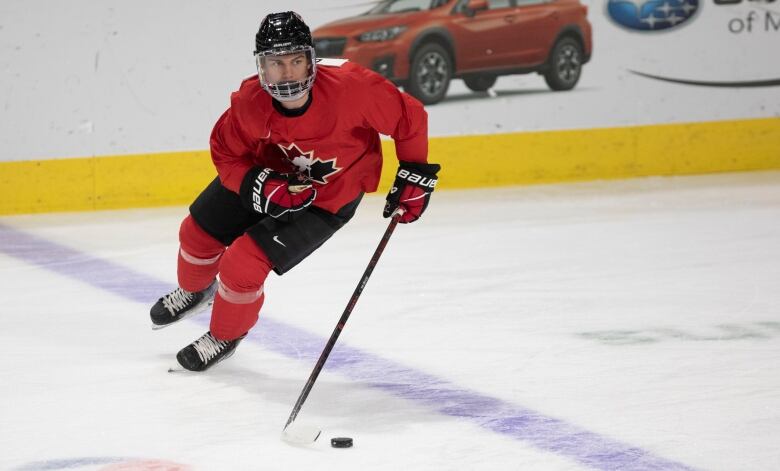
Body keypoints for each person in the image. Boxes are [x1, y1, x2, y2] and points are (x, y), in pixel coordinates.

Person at [149, 11, 440, 371]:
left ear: (310, 62)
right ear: (261, 67)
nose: (287, 73)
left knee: (243, 262)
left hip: (329, 197)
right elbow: (226, 152)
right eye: (276, 63)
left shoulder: (352, 87)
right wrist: (256, 183)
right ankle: (196, 291)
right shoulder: (249, 102)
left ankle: (224, 336)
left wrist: (415, 172)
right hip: (270, 176)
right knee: (195, 233)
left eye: (296, 61)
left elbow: (409, 117)